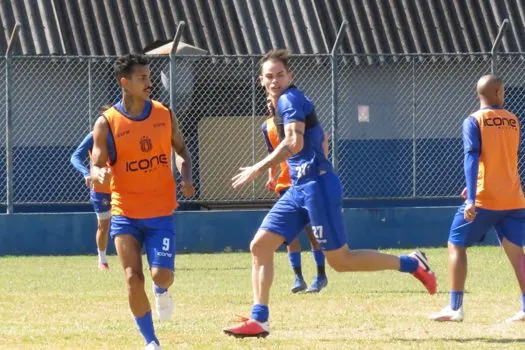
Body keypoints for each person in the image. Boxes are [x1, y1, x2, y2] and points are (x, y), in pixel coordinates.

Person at [223, 49, 437, 338]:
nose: (275, 81)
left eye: (280, 75)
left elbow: (294, 144)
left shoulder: (290, 99)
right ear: (261, 80)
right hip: (298, 188)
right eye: (269, 76)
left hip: (317, 186)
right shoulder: (279, 105)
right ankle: (259, 320)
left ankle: (411, 263)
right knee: (260, 246)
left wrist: (259, 168)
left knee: (341, 261)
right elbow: (316, 139)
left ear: (290, 76)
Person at [90, 54, 195, 350]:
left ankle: (161, 289)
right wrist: (96, 172)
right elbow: (97, 161)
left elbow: (182, 151)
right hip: (125, 213)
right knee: (133, 278)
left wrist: (185, 176)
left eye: (150, 77)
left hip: (160, 212)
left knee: (161, 274)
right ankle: (151, 341)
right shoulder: (107, 123)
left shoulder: (164, 114)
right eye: (142, 78)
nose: (150, 83)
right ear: (125, 82)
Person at [430, 75, 525, 323]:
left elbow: (472, 157)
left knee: (455, 243)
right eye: (502, 90)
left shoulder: (473, 120)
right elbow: (503, 159)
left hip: (485, 198)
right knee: (517, 254)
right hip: (514, 198)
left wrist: (471, 197)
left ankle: (455, 307)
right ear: (497, 93)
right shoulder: (514, 120)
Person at [262, 98, 328, 293]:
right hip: (284, 184)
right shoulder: (266, 126)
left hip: (304, 182)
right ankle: (298, 277)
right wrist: (270, 176)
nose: (269, 103)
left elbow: (321, 140)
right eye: (267, 101)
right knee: (289, 235)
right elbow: (271, 152)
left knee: (312, 231)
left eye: (272, 100)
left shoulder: (298, 117)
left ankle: (321, 274)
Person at [70, 105, 113, 270]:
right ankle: (102, 259)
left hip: (120, 187)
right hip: (100, 189)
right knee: (104, 225)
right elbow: (75, 157)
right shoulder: (93, 136)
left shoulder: (123, 134)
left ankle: (132, 258)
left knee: (129, 223)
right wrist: (86, 173)